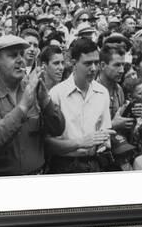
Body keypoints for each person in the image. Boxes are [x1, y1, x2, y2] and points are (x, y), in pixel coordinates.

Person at [0, 35, 65, 176]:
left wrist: (45, 101)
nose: (20, 60)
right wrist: (23, 106)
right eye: (13, 55)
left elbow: (58, 129)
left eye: (21, 54)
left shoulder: (32, 89)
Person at [46, 38, 115, 174]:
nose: (94, 68)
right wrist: (80, 143)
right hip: (64, 166)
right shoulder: (57, 94)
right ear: (73, 63)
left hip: (94, 164)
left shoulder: (102, 92)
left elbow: (104, 131)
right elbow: (48, 143)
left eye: (96, 63)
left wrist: (103, 143)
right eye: (88, 63)